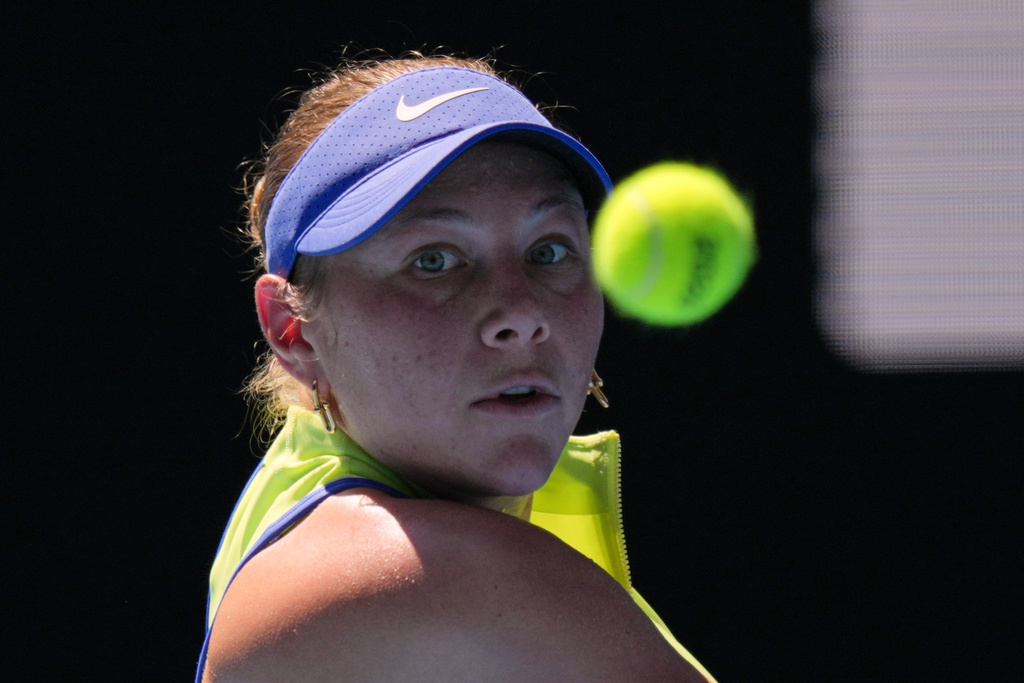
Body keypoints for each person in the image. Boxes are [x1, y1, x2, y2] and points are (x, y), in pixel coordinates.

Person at [198, 53, 716, 682]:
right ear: (292, 330)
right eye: (435, 261)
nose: (522, 313)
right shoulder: (397, 572)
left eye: (548, 250)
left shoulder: (313, 487)